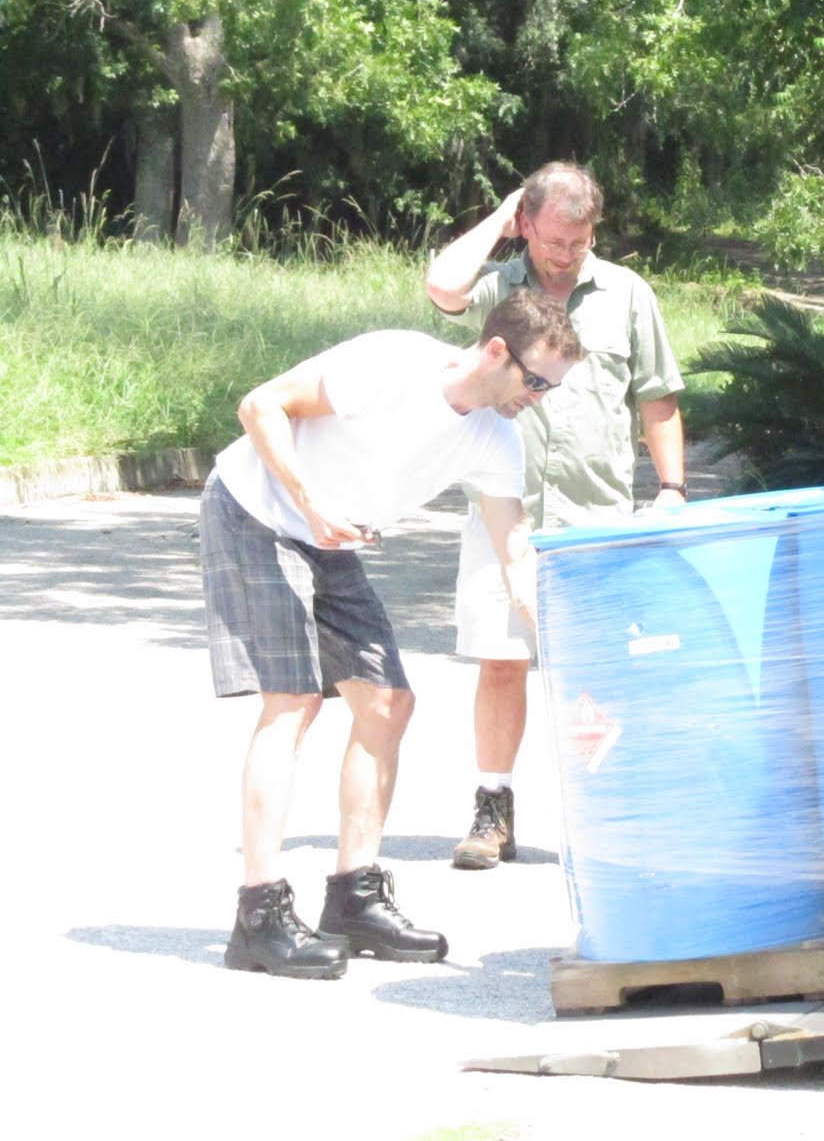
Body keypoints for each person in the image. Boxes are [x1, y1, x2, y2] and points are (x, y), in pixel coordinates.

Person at [201, 290, 584, 979]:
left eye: (551, 388)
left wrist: (553, 628)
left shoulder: (494, 436)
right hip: (256, 512)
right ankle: (257, 916)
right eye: (535, 381)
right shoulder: (392, 362)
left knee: (387, 704)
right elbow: (261, 405)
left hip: (331, 536)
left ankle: (354, 897)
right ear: (497, 350)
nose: (540, 398)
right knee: (294, 701)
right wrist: (311, 503)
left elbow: (514, 546)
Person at [425, 162, 687, 871]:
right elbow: (442, 287)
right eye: (551, 240)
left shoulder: (627, 295)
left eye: (579, 241)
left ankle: (611, 814)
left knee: (599, 670)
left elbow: (657, 397)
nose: (565, 254)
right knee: (503, 663)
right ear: (527, 224)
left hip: (595, 514)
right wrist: (499, 218)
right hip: (500, 505)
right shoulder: (499, 287)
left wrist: (671, 489)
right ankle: (492, 813)